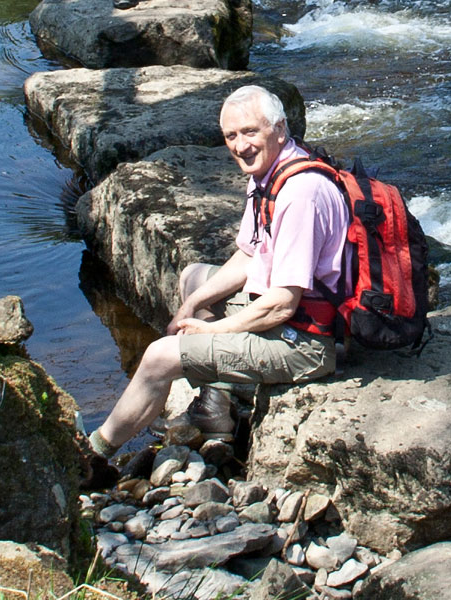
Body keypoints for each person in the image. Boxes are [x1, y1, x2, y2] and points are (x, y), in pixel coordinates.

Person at [87, 84, 348, 463]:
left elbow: (282, 305)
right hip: (287, 314)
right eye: (231, 136)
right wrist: (191, 304)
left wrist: (212, 330)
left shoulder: (300, 192)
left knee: (161, 357)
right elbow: (248, 255)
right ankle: (217, 406)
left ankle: (94, 455)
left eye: (250, 132)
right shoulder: (270, 172)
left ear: (279, 128)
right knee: (195, 277)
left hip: (306, 343)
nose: (240, 146)